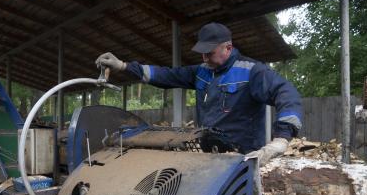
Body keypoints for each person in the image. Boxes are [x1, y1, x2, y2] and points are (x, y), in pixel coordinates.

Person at [95, 22, 302, 165]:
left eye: (209, 52)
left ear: (228, 48)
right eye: (202, 52)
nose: (204, 57)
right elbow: (166, 75)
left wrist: (281, 138)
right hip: (208, 156)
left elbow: (287, 93)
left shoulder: (252, 71)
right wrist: (123, 66)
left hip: (243, 159)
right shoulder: (202, 72)